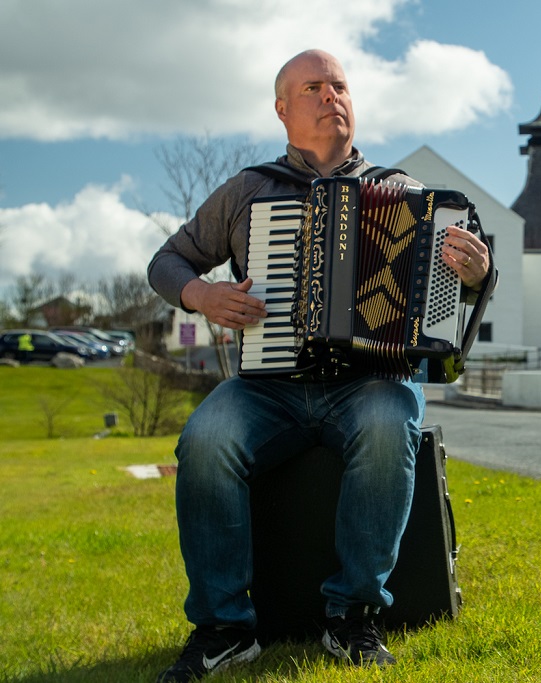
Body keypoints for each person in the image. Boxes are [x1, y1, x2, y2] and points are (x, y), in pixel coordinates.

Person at [147, 48, 493, 682]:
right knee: (205, 439)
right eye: (313, 87)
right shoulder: (249, 190)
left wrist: (476, 274)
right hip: (268, 386)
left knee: (393, 426)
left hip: (366, 385)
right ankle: (224, 628)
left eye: (339, 86)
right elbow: (167, 263)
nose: (331, 96)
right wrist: (201, 294)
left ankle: (353, 615)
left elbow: (451, 300)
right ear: (283, 109)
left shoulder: (408, 195)